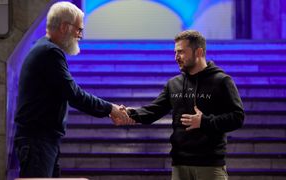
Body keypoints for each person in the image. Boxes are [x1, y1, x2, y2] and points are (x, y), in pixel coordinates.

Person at [13, 1, 132, 178]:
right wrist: (111, 109)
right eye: (78, 29)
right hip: (38, 141)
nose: (80, 35)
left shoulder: (43, 48)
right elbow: (74, 94)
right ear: (64, 27)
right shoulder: (49, 52)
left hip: (42, 139)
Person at [126, 30, 244, 180]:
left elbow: (237, 117)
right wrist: (129, 113)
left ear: (199, 52)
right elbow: (153, 111)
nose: (176, 57)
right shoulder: (174, 84)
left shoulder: (221, 81)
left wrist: (204, 121)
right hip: (180, 165)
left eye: (181, 52)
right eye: (175, 52)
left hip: (210, 166)